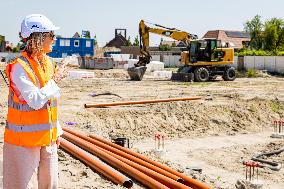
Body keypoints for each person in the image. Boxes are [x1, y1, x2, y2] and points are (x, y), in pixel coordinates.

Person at [3, 14, 69, 189]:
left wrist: (57, 132)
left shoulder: (48, 63)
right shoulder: (20, 67)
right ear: (38, 38)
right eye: (51, 35)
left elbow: (50, 103)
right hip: (23, 141)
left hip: (47, 139)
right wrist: (55, 80)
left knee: (50, 185)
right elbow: (35, 101)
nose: (54, 39)